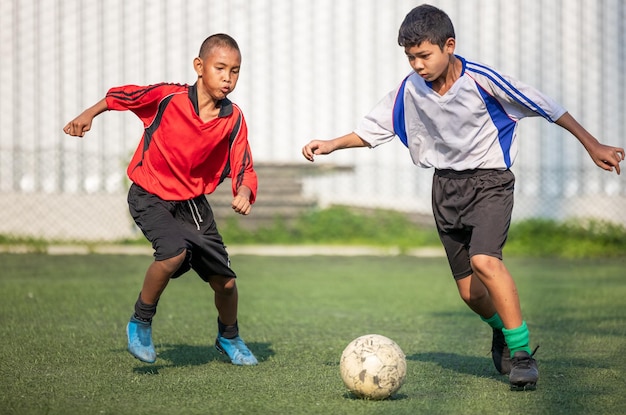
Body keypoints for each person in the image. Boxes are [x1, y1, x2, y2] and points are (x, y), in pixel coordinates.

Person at [302, 4, 624, 391]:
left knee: (486, 261)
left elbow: (548, 107)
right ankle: (503, 332)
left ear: (449, 46)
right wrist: (332, 144)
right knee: (470, 292)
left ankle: (522, 355)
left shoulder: (483, 81)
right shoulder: (410, 90)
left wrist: (592, 145)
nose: (418, 64)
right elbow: (373, 130)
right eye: (411, 57)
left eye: (424, 55)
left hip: (490, 182)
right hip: (445, 189)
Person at [64, 33, 259, 366]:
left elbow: (243, 166)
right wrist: (89, 114)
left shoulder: (233, 118)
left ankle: (229, 337)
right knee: (173, 253)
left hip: (192, 204)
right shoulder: (168, 98)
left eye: (236, 71)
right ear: (199, 67)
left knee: (225, 283)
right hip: (149, 194)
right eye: (220, 68)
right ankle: (140, 323)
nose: (228, 78)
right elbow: (123, 96)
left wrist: (243, 191)